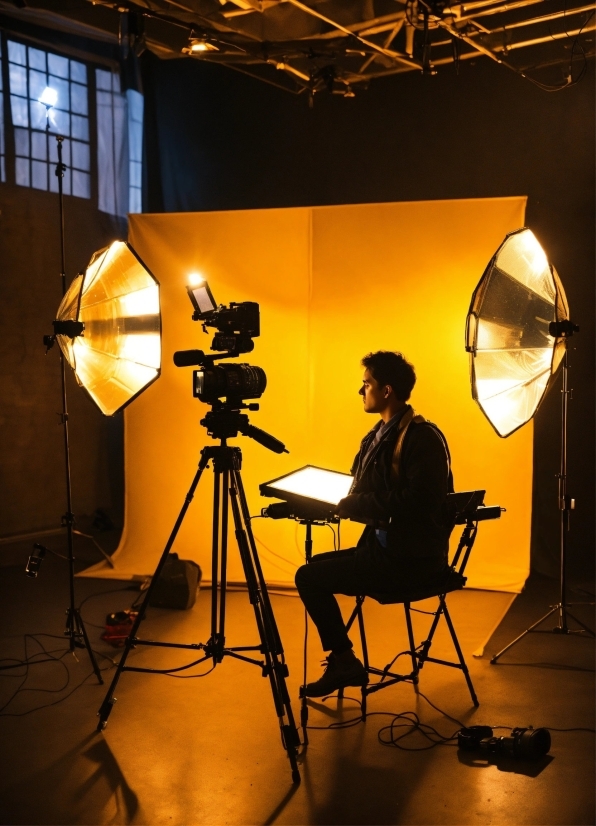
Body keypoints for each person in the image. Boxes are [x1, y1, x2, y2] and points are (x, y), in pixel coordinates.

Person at [295, 351, 453, 698]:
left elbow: (420, 502)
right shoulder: (378, 435)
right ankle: (344, 658)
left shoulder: (420, 437)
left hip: (409, 561)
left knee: (307, 578)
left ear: (386, 391)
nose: (360, 390)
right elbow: (362, 489)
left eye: (366, 383)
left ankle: (344, 661)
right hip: (385, 551)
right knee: (314, 567)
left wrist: (354, 503)